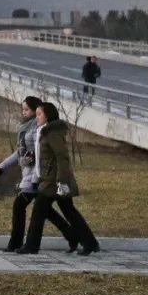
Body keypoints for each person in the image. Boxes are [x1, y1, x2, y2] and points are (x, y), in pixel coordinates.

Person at [0, 96, 77, 253]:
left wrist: (34, 179)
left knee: (20, 205)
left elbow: (38, 157)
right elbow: (20, 153)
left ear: (35, 111)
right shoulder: (27, 127)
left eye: (26, 109)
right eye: (23, 109)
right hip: (32, 177)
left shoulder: (36, 129)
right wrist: (2, 166)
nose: (23, 112)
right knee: (46, 211)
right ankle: (72, 236)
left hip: (35, 178)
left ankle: (17, 243)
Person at [18, 102, 100, 255]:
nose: (37, 118)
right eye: (36, 115)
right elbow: (46, 156)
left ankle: (31, 246)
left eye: (39, 115)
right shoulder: (44, 131)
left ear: (48, 115)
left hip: (53, 181)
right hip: (50, 179)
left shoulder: (53, 133)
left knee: (39, 212)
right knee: (69, 212)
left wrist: (61, 181)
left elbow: (62, 157)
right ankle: (89, 243)